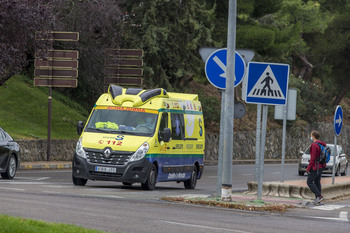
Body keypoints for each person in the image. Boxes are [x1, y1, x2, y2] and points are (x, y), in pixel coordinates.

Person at [306, 130, 326, 204]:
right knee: (317, 182)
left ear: (313, 136)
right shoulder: (321, 144)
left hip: (315, 167)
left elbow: (313, 158)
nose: (310, 137)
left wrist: (308, 168)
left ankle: (319, 196)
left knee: (309, 182)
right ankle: (318, 199)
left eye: (311, 135)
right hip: (321, 166)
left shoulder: (314, 145)